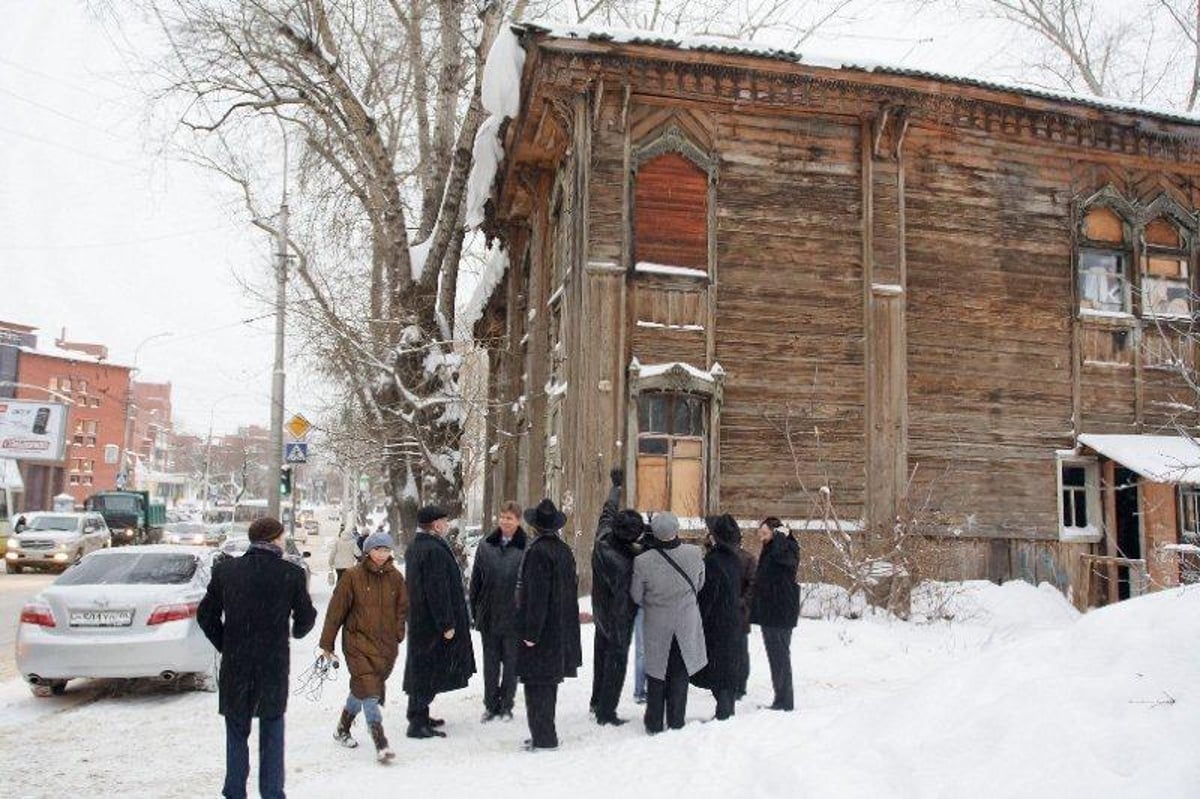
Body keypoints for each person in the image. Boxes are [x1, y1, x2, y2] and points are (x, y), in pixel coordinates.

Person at [197, 516, 317, 799]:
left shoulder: (227, 571)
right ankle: (272, 792)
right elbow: (306, 618)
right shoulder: (290, 573)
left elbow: (206, 614)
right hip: (272, 664)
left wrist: (225, 642)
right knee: (272, 730)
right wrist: (297, 630)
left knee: (236, 730)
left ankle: (235, 790)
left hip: (236, 663)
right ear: (276, 538)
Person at [319, 532, 408, 763]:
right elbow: (335, 611)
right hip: (357, 643)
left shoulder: (396, 578)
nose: (381, 554)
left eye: (386, 550)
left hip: (385, 646)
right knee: (369, 691)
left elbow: (402, 608)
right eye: (377, 549)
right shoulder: (352, 576)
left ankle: (342, 728)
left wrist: (399, 631)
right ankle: (380, 742)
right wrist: (327, 643)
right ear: (368, 551)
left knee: (363, 688)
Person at [402, 505, 475, 738]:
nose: (447, 524)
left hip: (422, 621)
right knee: (429, 671)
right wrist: (446, 624)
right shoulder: (432, 550)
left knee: (423, 669)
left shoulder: (420, 545)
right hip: (432, 624)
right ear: (435, 525)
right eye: (444, 521)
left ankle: (419, 714)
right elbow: (437, 590)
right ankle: (417, 722)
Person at [516, 498, 582, 751]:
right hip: (560, 629)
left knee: (537, 686)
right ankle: (544, 734)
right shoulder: (563, 550)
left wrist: (531, 632)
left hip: (542, 632)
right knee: (547, 685)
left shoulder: (537, 553)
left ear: (534, 527)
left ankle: (544, 737)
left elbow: (537, 597)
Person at [630, 511, 706, 734]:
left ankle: (653, 722)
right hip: (686, 622)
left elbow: (636, 595)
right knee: (679, 672)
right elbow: (700, 584)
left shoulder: (642, 561)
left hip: (656, 624)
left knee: (656, 672)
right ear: (676, 529)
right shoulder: (695, 553)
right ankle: (676, 720)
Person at [589, 467, 643, 726]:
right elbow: (626, 597)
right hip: (617, 615)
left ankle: (596, 699)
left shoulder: (603, 535)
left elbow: (608, 509)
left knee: (600, 654)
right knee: (616, 660)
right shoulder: (626, 563)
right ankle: (606, 712)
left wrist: (616, 488)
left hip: (599, 607)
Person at [469, 500, 527, 722]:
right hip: (490, 614)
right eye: (502, 517)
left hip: (514, 616)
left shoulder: (525, 547)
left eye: (509, 518)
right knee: (490, 664)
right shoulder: (486, 545)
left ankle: (506, 705)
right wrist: (475, 610)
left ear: (518, 520)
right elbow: (476, 581)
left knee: (511, 665)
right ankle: (491, 705)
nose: (505, 521)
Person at [690, 515, 748, 720]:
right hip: (731, 620)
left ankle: (725, 712)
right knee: (727, 667)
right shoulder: (733, 558)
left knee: (718, 669)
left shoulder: (713, 562)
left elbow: (708, 594)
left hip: (716, 622)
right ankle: (726, 709)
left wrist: (701, 618)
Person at [750, 516, 800, 711]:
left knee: (780, 656)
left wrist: (780, 538)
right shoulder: (773, 547)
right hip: (771, 611)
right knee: (775, 656)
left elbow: (785, 562)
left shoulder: (787, 547)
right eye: (760, 533)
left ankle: (784, 701)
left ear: (775, 532)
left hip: (780, 612)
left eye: (764, 533)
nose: (761, 537)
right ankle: (780, 698)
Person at [736, 536, 757, 700]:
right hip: (737, 609)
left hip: (739, 611)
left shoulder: (747, 559)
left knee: (741, 650)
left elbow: (753, 584)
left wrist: (742, 601)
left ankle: (740, 686)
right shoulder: (748, 558)